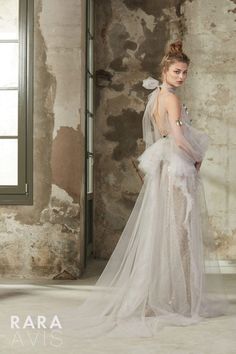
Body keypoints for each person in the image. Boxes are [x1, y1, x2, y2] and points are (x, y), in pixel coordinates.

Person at [64, 40, 230, 338]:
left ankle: (165, 295)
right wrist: (197, 158)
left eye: (185, 73)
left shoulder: (155, 97)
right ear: (165, 70)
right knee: (180, 232)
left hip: (164, 168)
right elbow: (178, 138)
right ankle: (182, 300)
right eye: (177, 71)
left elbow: (161, 135)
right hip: (177, 168)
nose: (181, 77)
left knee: (165, 230)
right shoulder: (172, 99)